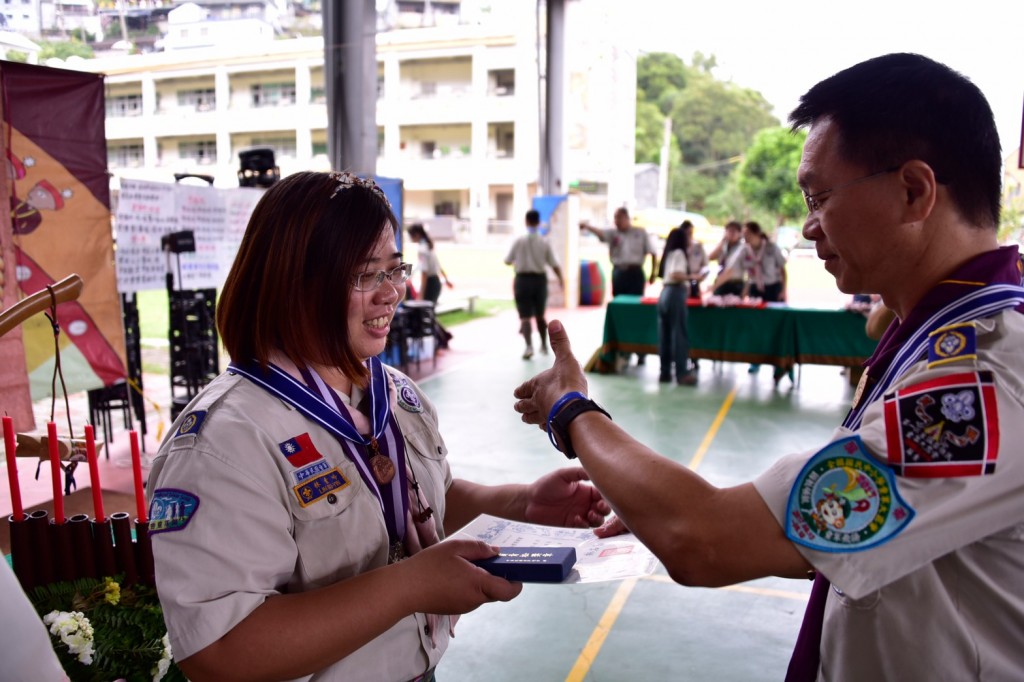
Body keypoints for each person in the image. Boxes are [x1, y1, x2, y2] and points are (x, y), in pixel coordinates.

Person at [512, 53, 1024, 681]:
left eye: (821, 196)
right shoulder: (937, 336)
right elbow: (861, 527)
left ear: (914, 191)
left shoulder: (985, 377)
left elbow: (702, 541)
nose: (809, 226)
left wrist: (571, 409)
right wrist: (682, 511)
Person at [146, 171, 610, 681]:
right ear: (294, 284)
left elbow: (421, 502)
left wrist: (520, 503)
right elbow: (218, 653)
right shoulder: (224, 442)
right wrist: (409, 586)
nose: (392, 293)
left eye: (395, 269)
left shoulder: (391, 390)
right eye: (366, 275)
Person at [581, 206, 656, 364]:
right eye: (615, 218)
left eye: (619, 218)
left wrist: (654, 273)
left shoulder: (640, 232)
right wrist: (587, 226)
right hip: (619, 273)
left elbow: (653, 252)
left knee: (636, 310)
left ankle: (640, 349)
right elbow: (600, 233)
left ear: (627, 218)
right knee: (619, 310)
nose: (616, 221)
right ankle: (621, 348)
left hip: (635, 273)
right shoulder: (612, 233)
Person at [504, 208, 565, 359]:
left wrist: (521, 261)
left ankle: (528, 347)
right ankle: (544, 345)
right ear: (538, 222)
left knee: (524, 316)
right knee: (540, 315)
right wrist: (561, 279)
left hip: (522, 280)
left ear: (526, 221)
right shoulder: (544, 242)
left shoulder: (518, 241)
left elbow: (507, 261)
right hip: (539, 280)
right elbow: (554, 264)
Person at [739, 221, 791, 383]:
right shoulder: (745, 250)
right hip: (756, 290)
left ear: (756, 233)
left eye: (747, 233)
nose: (744, 236)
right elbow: (748, 273)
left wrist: (783, 290)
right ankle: (755, 361)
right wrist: (745, 290)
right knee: (755, 326)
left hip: (772, 289)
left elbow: (782, 270)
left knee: (774, 327)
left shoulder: (771, 248)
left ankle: (778, 365)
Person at [656, 226, 697, 385]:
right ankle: (682, 373)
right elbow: (676, 274)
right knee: (679, 334)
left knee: (664, 335)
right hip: (675, 292)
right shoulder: (679, 253)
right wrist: (693, 277)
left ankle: (664, 372)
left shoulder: (669, 254)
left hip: (664, 293)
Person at [406, 223, 452, 305]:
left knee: (426, 312)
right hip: (435, 282)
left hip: (430, 284)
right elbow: (439, 266)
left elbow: (424, 273)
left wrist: (421, 293)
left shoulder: (422, 250)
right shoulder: (428, 246)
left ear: (416, 235)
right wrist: (446, 280)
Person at [708, 221, 745, 296]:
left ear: (739, 234)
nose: (731, 234)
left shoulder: (742, 248)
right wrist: (722, 242)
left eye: (734, 231)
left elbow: (732, 269)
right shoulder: (723, 246)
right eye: (729, 231)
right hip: (720, 280)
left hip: (735, 282)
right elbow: (710, 257)